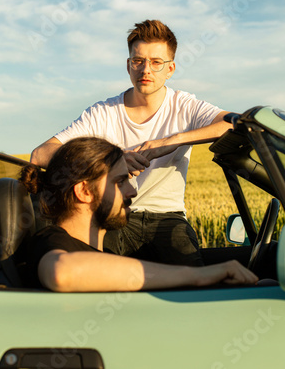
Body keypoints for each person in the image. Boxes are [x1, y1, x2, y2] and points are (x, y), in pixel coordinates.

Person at [30, 20, 231, 266]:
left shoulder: (185, 106)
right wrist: (110, 161)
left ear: (170, 69)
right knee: (100, 281)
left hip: (169, 219)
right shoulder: (103, 112)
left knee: (192, 286)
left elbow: (234, 125)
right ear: (128, 65)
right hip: (114, 216)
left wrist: (173, 141)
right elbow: (41, 154)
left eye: (157, 62)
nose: (146, 70)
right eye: (138, 61)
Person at [21, 136, 258, 292]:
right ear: (84, 191)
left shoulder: (100, 253)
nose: (132, 191)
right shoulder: (52, 241)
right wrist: (199, 275)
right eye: (120, 181)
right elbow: (62, 272)